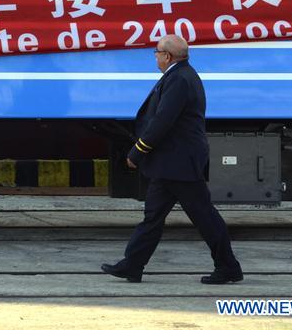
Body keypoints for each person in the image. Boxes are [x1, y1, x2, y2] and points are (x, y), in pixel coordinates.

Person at [101, 34, 243, 285]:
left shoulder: (179, 79)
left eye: (156, 52)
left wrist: (138, 151)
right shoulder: (181, 75)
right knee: (153, 216)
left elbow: (162, 121)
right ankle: (133, 265)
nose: (154, 56)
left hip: (179, 163)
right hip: (170, 164)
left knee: (204, 216)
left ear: (167, 56)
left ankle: (228, 266)